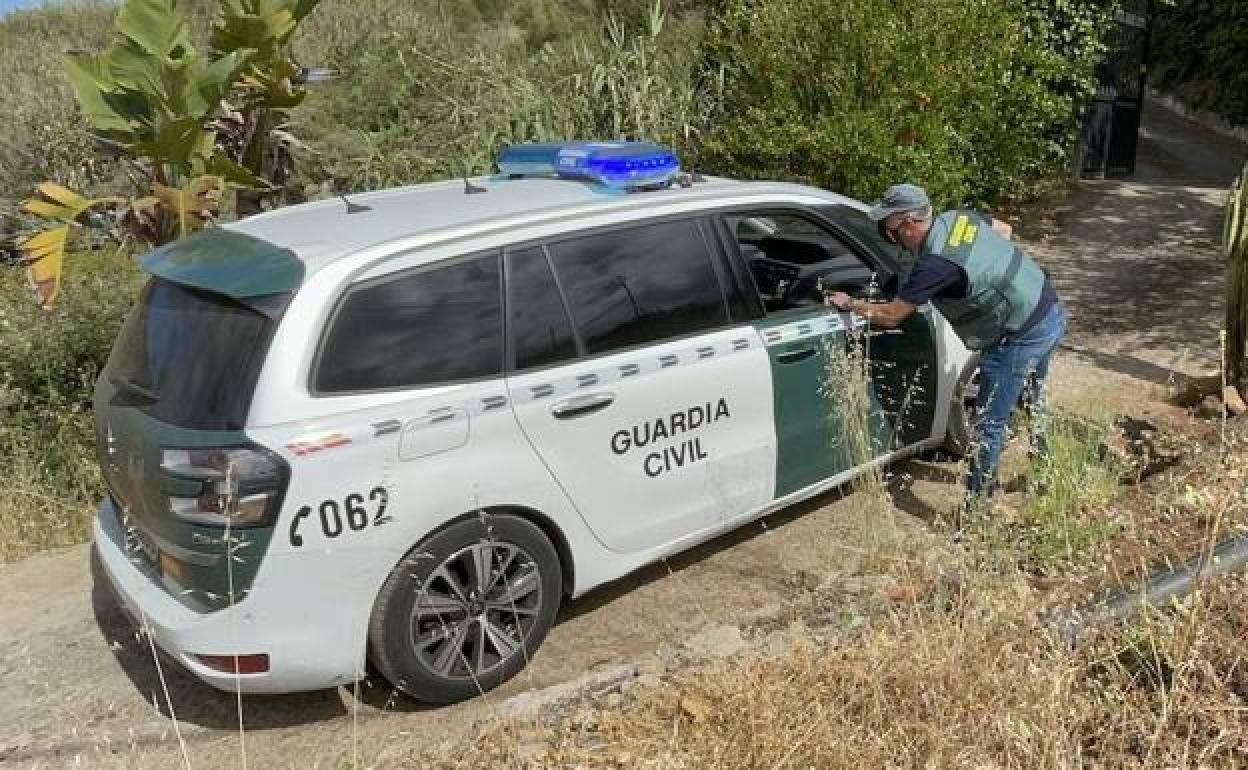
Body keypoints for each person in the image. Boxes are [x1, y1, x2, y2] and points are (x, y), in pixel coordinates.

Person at [824, 183, 1066, 510]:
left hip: (1018, 335)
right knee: (1033, 398)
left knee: (988, 424)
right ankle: (1047, 473)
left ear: (906, 223)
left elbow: (892, 316)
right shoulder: (957, 218)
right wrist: (992, 278)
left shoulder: (935, 265)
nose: (885, 231)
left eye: (887, 224)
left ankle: (977, 510)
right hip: (1046, 307)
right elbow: (1004, 230)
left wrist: (851, 303)